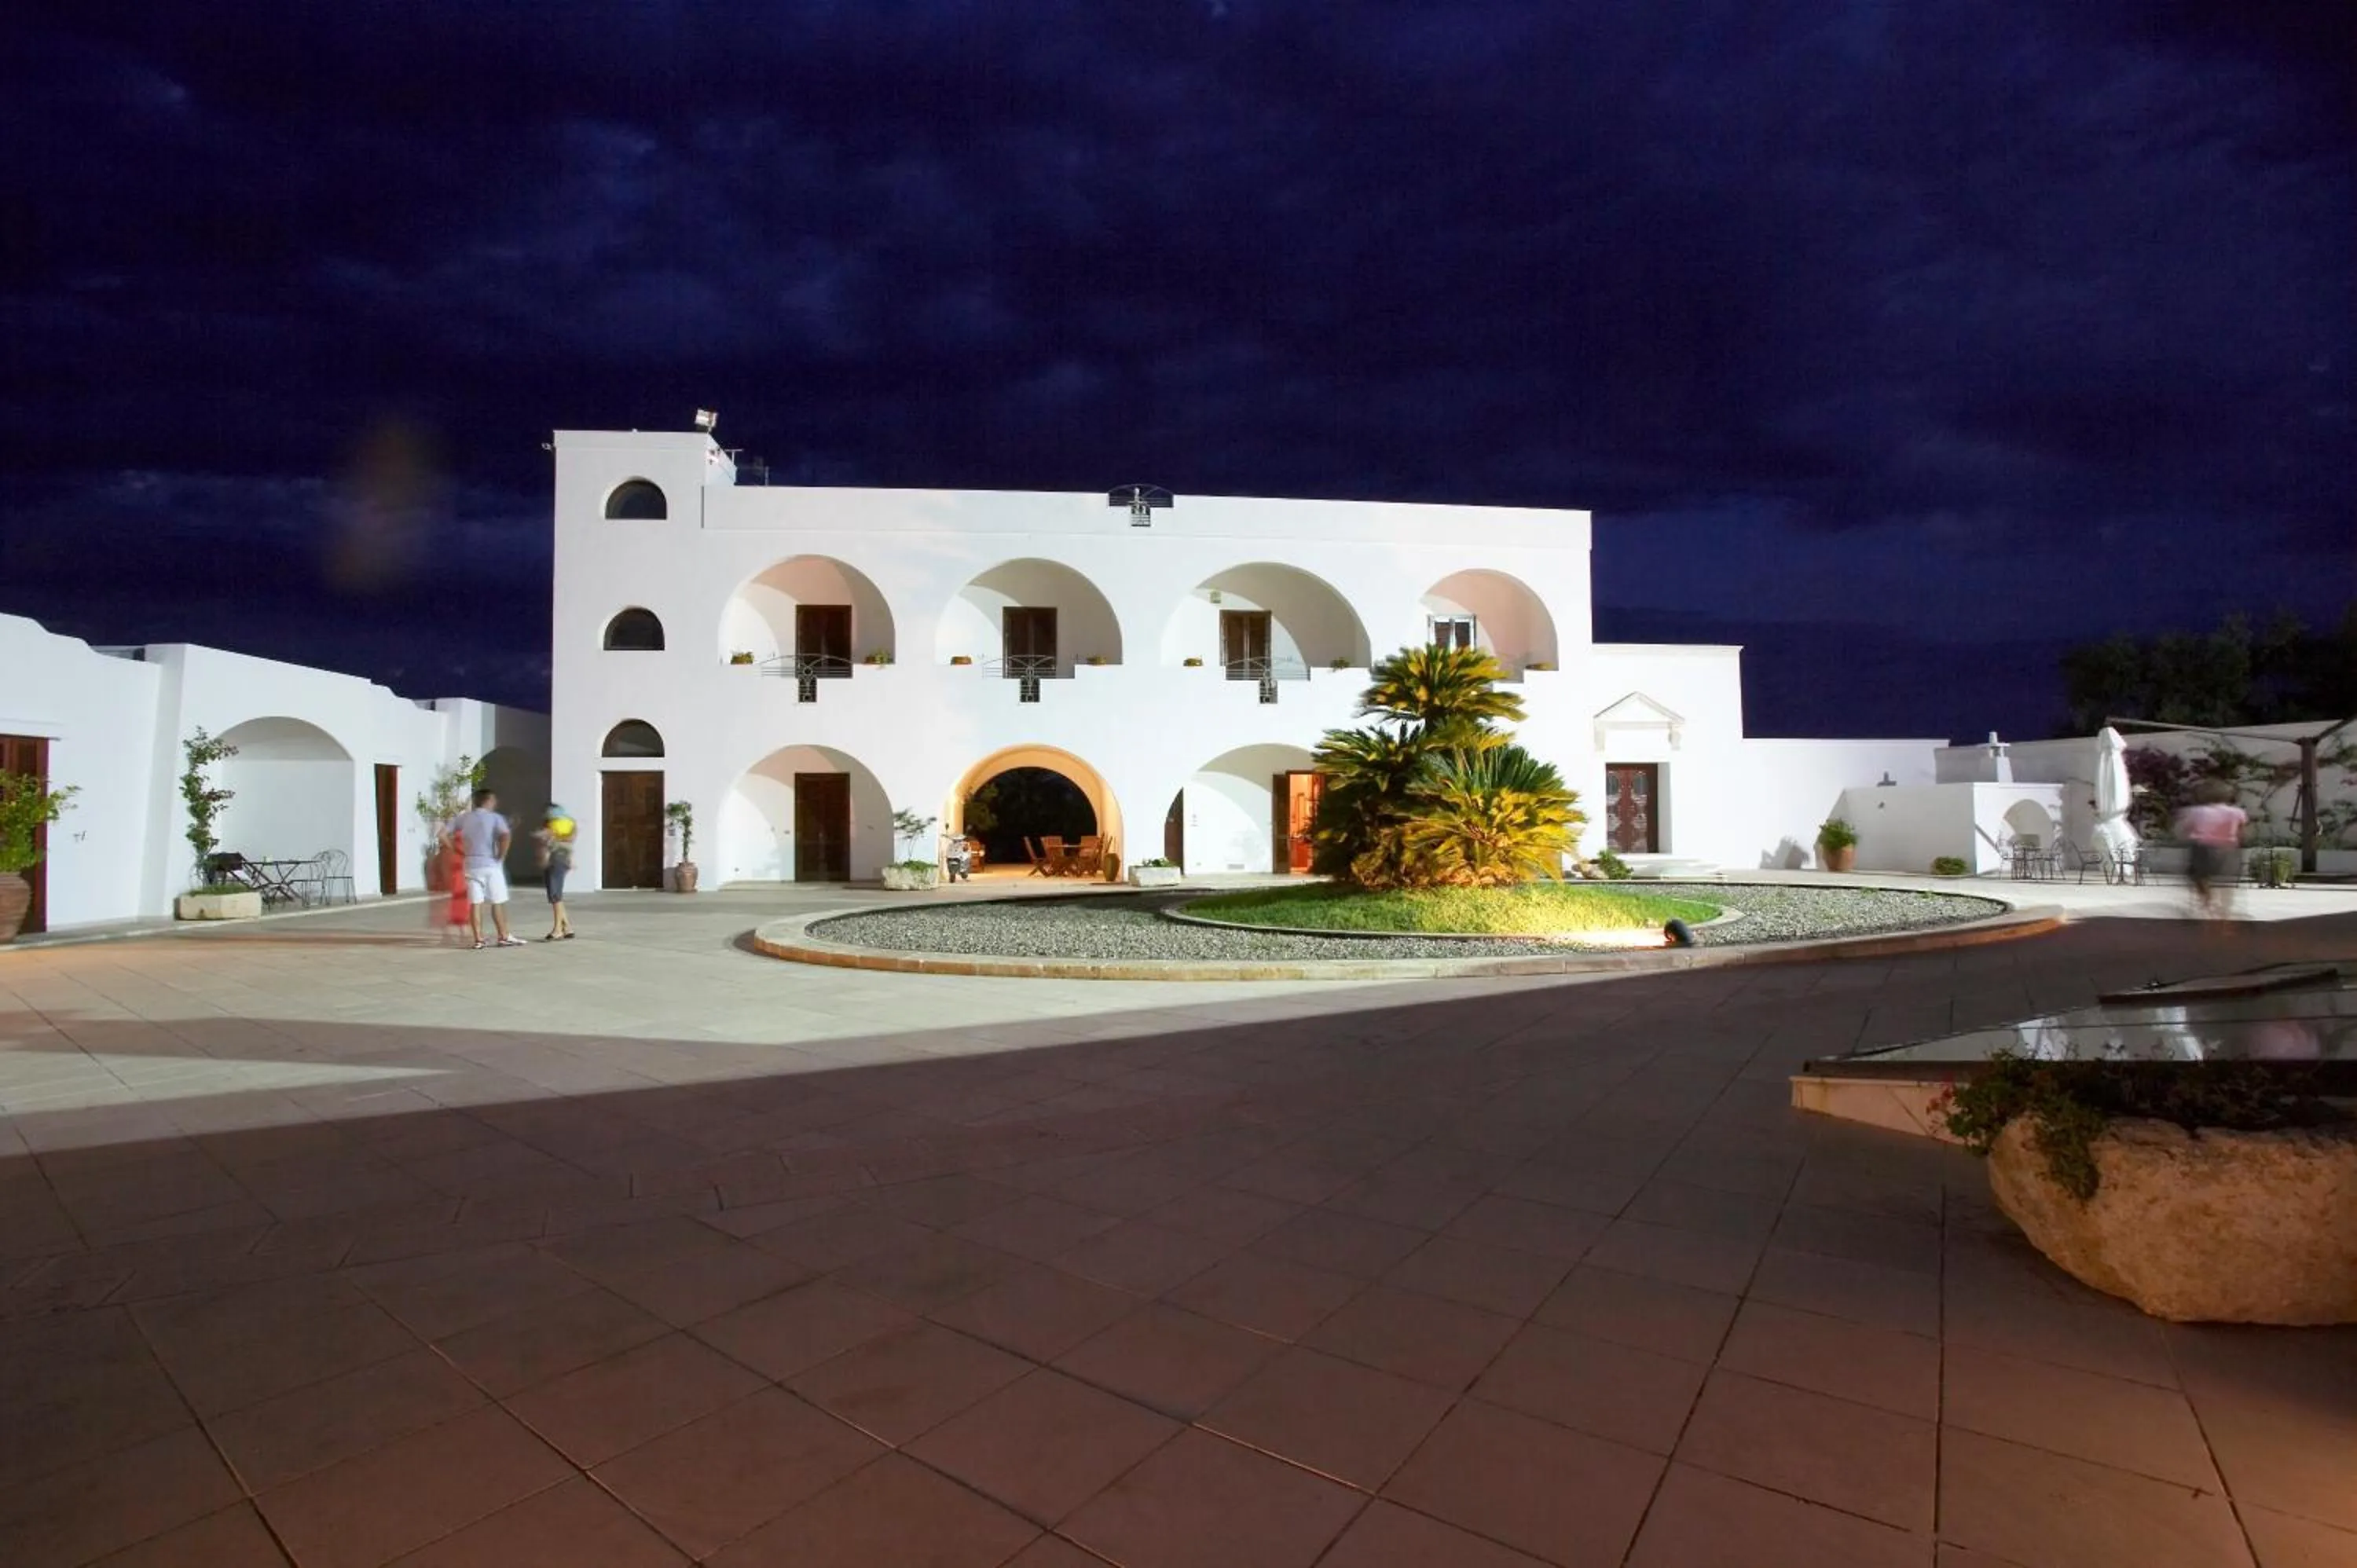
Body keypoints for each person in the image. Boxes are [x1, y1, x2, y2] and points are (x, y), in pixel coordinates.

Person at [451, 787, 524, 948]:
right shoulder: (495, 818)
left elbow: (443, 834)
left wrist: (456, 849)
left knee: (475, 902)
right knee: (497, 900)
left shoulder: (463, 818)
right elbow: (505, 836)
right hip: (490, 865)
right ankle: (503, 935)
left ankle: (478, 939)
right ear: (489, 801)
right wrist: (501, 856)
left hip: (470, 865)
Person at [2176, 779, 2248, 924]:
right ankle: (2225, 911)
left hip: (2203, 848)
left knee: (2199, 876)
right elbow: (2242, 833)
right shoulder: (2237, 812)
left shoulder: (2195, 812)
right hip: (2228, 849)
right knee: (2227, 882)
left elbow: (2182, 831)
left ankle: (2206, 901)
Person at [533, 805, 577, 940]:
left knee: (555, 895)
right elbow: (571, 840)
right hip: (564, 859)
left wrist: (542, 858)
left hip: (554, 859)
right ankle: (567, 927)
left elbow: (544, 844)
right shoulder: (570, 823)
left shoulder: (550, 826)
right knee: (557, 895)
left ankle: (558, 929)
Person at [437, 824, 471, 944]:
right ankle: (461, 934)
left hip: (457, 865)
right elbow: (441, 835)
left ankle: (455, 934)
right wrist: (454, 849)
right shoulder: (461, 828)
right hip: (456, 866)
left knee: (458, 902)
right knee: (459, 901)